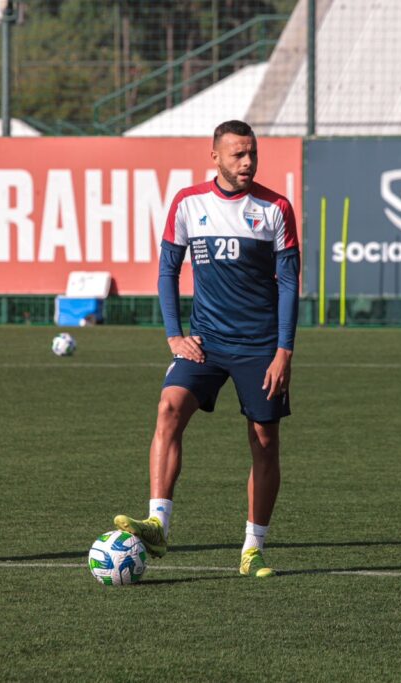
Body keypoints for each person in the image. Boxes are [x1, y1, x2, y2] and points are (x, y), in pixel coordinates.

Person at [114, 120, 299, 578]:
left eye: (252, 153)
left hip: (260, 345)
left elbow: (291, 284)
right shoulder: (187, 203)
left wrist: (284, 352)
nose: (248, 162)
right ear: (214, 156)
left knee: (264, 440)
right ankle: (158, 524)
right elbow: (166, 271)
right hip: (206, 342)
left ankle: (253, 546)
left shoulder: (276, 207)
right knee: (169, 407)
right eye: (237, 154)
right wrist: (174, 334)